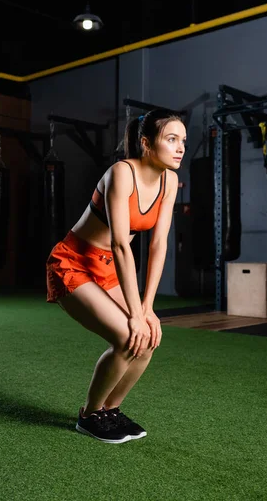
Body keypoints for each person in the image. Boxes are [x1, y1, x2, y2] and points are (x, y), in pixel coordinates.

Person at [46, 109, 186, 443]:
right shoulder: (121, 173)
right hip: (74, 262)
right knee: (127, 336)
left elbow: (158, 246)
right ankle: (89, 414)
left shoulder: (170, 181)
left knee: (148, 337)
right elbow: (122, 245)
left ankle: (110, 411)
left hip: (108, 267)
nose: (180, 147)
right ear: (146, 143)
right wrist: (135, 314)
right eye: (171, 139)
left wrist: (148, 309)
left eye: (182, 140)